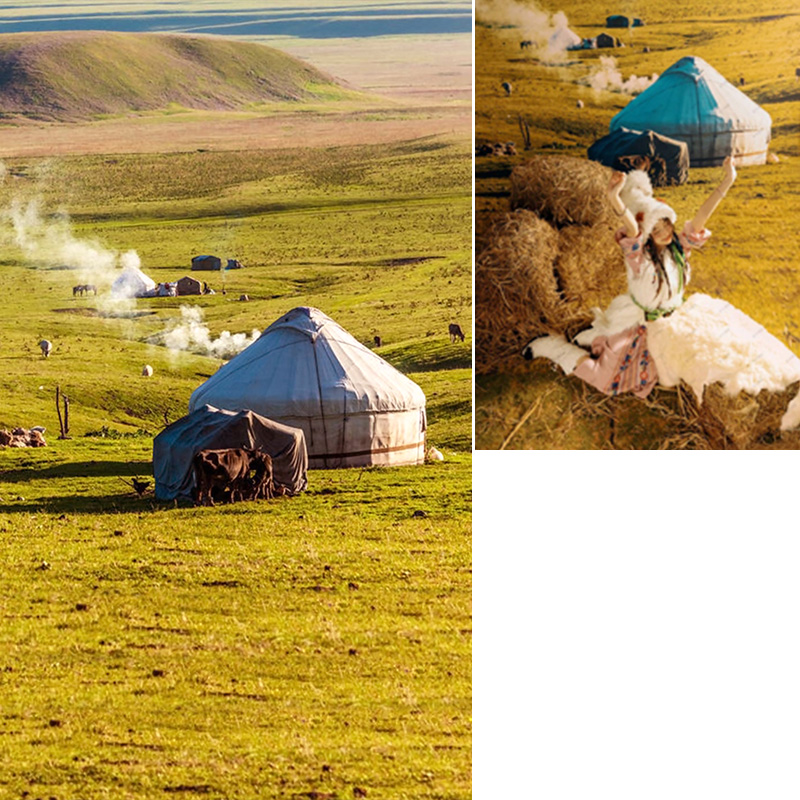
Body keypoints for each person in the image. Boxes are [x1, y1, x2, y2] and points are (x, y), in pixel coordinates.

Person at [523, 157, 800, 431]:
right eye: (655, 229)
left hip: (681, 320)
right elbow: (631, 226)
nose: (664, 232)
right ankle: (555, 348)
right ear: (645, 234)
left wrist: (727, 181)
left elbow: (702, 216)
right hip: (645, 327)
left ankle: (772, 392)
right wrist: (614, 198)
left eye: (666, 224)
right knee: (608, 380)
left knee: (732, 348)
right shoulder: (639, 260)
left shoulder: (679, 249)